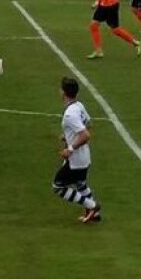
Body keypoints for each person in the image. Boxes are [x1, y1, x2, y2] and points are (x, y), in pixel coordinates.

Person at [53, 76, 102, 223]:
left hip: (76, 158)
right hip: (84, 156)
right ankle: (95, 215)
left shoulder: (70, 114)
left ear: (63, 93)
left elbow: (86, 135)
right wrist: (69, 136)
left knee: (58, 186)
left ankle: (92, 206)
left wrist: (70, 147)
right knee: (80, 184)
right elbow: (89, 123)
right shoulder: (79, 106)